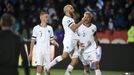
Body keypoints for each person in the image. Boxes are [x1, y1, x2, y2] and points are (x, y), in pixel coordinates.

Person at [45, 4, 85, 75]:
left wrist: (78, 40)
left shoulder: (71, 19)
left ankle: (67, 73)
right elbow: (73, 28)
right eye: (71, 8)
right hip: (69, 40)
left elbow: (74, 32)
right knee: (64, 55)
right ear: (67, 10)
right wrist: (82, 21)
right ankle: (48, 66)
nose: (73, 10)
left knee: (75, 60)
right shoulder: (66, 19)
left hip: (74, 41)